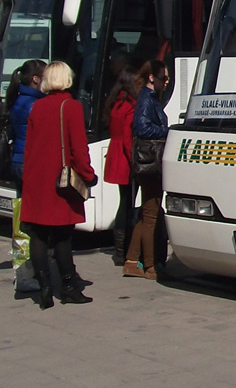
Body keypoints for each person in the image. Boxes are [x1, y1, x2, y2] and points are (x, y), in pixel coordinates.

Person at [20, 61, 97, 309]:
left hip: (36, 179)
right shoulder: (71, 107)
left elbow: (29, 147)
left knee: (39, 234)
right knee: (63, 236)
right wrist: (88, 174)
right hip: (60, 181)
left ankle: (44, 286)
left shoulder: (36, 107)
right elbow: (78, 148)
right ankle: (68, 286)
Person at [123, 60, 169, 279]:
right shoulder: (146, 100)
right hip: (149, 163)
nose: (167, 83)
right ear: (152, 77)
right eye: (164, 78)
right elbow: (141, 127)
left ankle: (132, 261)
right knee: (151, 216)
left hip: (147, 163)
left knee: (146, 214)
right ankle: (150, 266)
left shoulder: (149, 99)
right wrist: (165, 131)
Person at [5, 59, 46, 294]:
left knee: (22, 217)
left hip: (18, 162)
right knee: (30, 222)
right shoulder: (33, 104)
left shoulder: (18, 99)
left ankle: (24, 269)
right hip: (29, 164)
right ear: (36, 79)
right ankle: (27, 271)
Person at [102, 65, 139, 266]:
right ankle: (122, 249)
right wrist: (135, 160)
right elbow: (127, 138)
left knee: (123, 202)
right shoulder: (130, 105)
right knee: (127, 204)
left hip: (115, 155)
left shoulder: (117, 102)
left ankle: (119, 248)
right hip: (125, 158)